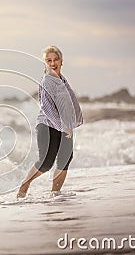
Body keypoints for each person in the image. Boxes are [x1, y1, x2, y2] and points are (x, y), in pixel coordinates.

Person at [17, 45, 83, 198]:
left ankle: (56, 193)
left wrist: (74, 121)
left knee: (66, 157)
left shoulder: (63, 80)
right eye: (49, 60)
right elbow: (47, 109)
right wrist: (63, 127)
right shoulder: (46, 81)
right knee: (46, 162)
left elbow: (70, 102)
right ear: (45, 63)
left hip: (65, 126)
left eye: (56, 60)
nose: (53, 63)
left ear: (61, 61)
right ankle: (24, 185)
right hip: (47, 125)